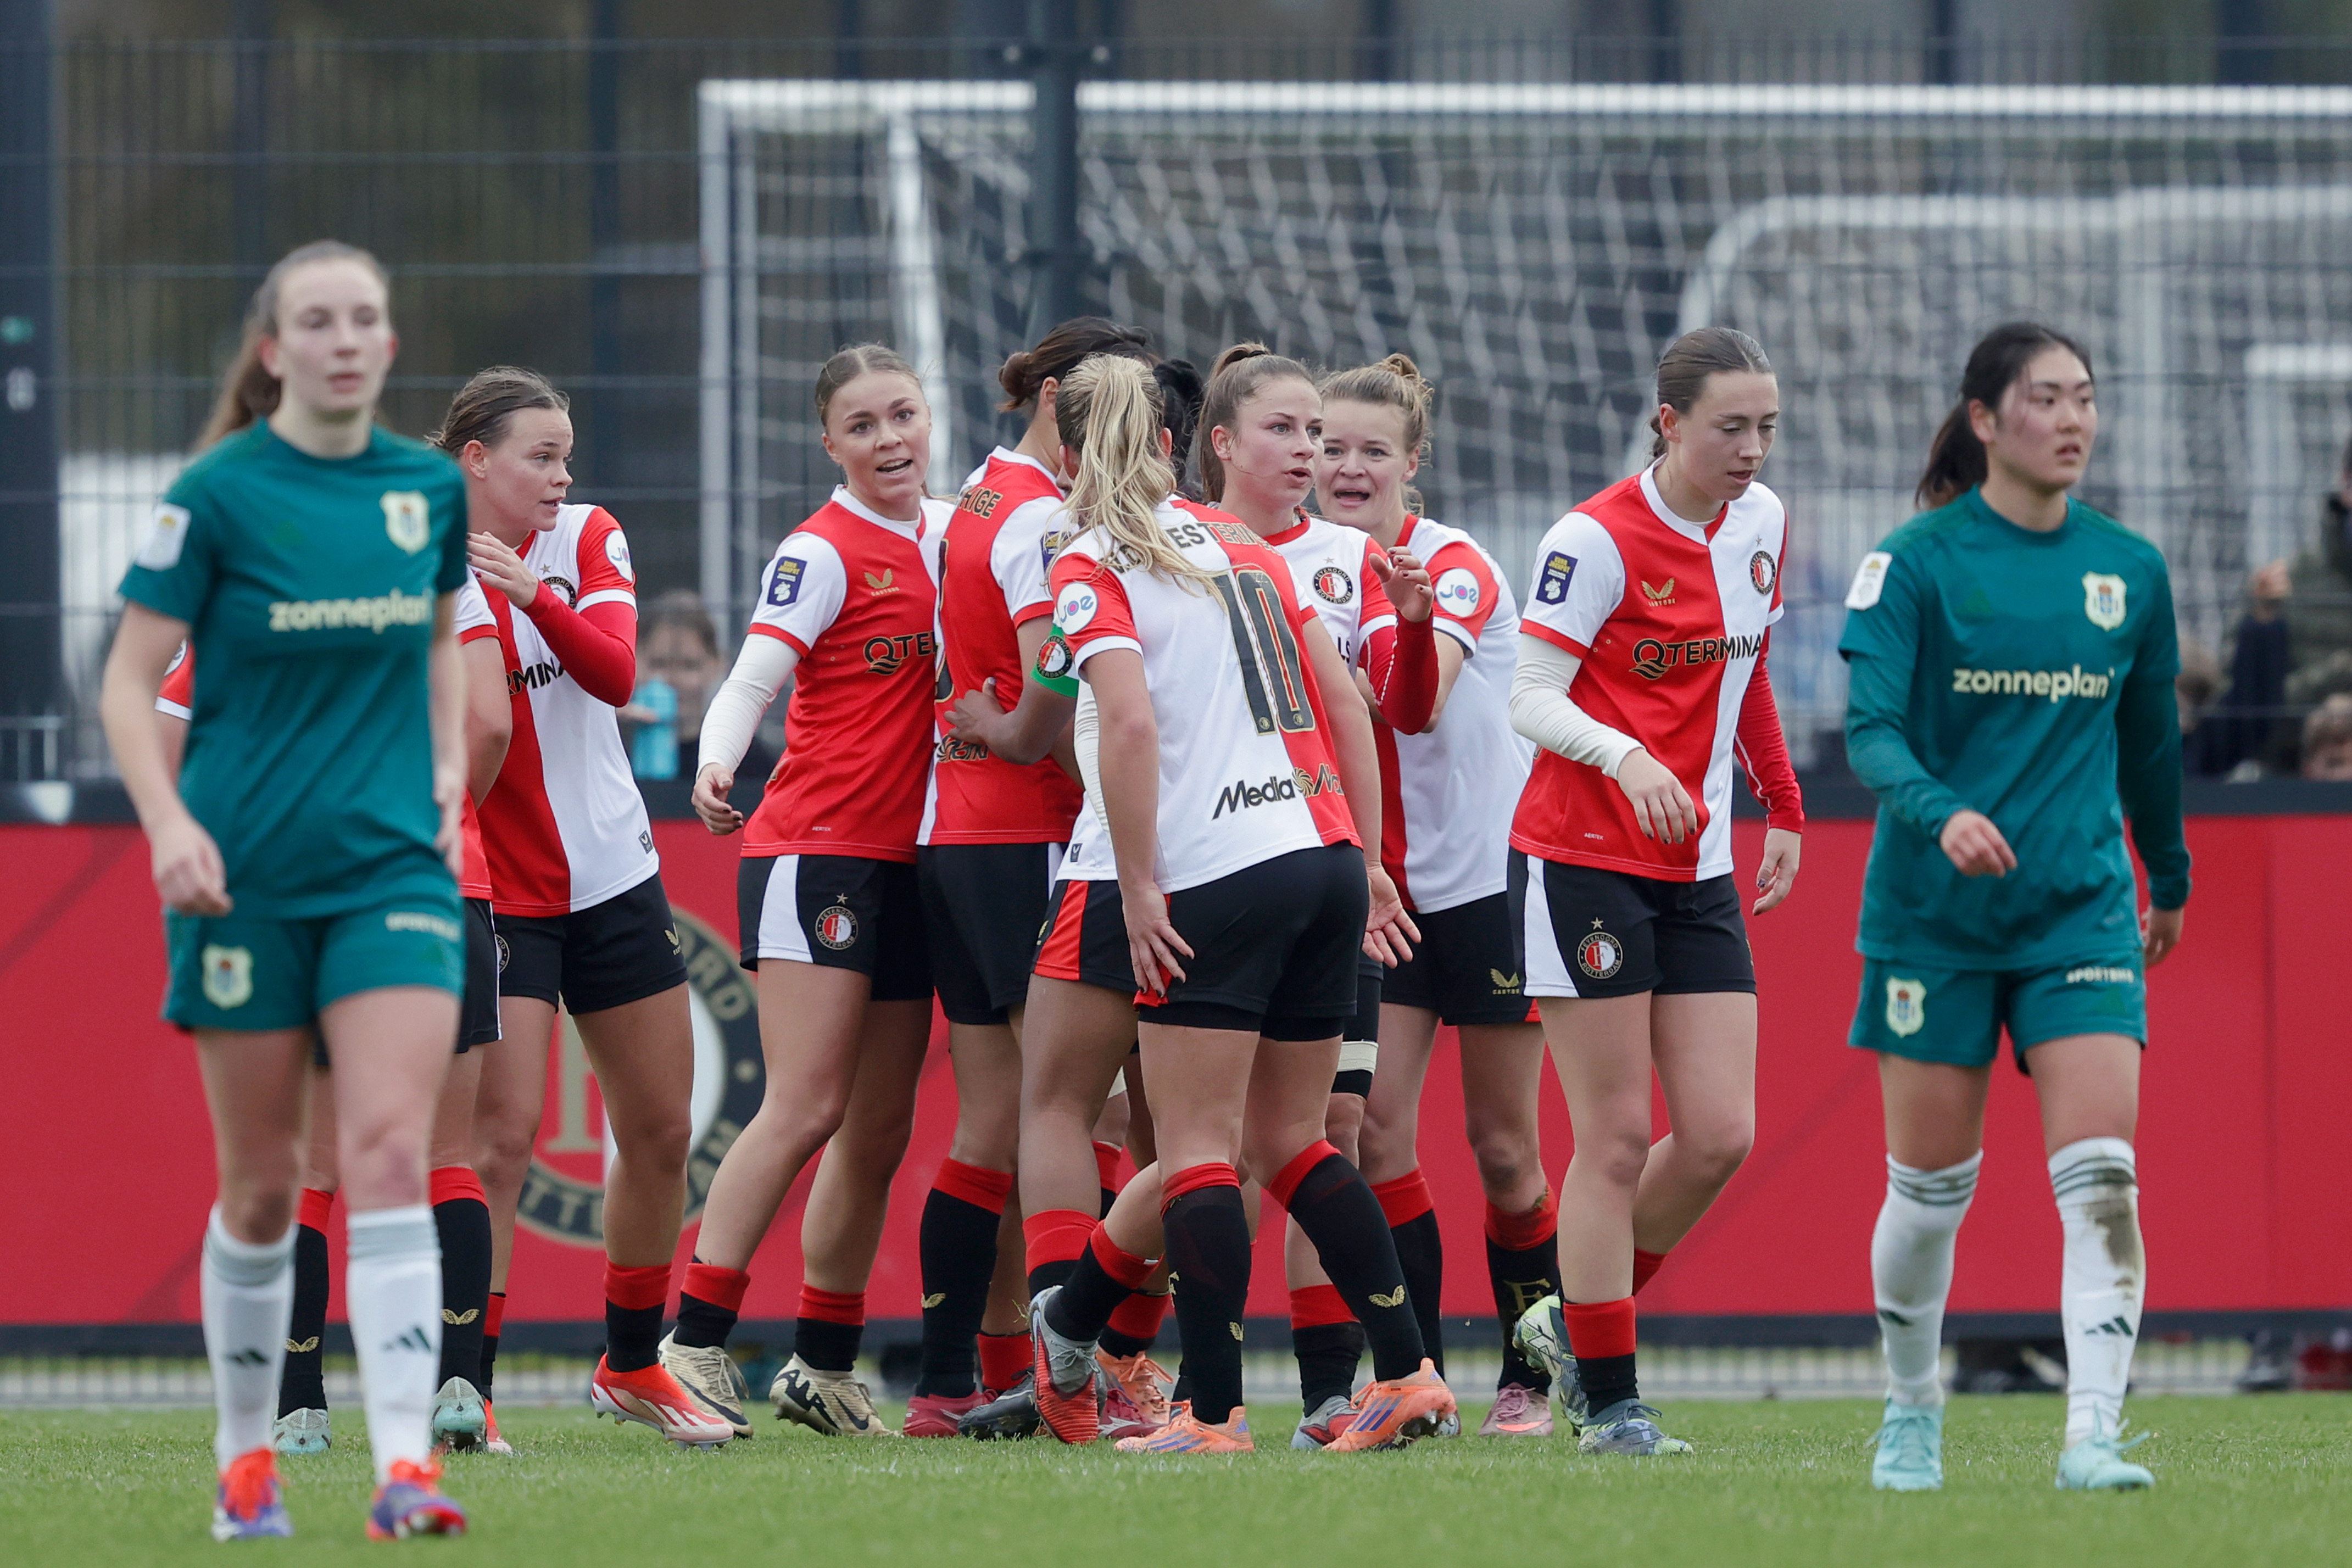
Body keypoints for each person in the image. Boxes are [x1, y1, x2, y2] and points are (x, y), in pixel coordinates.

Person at [1012, 350, 1453, 1456]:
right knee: (1298, 1141)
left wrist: (1141, 880)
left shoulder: (1089, 562)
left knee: (1201, 1149)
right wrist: (1361, 855)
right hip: (1315, 854)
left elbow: (1126, 727)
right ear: (1173, 443)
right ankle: (1406, 1372)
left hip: (1217, 867)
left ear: (1067, 452)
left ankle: (1210, 1413)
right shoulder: (1248, 546)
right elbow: (1341, 698)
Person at [99, 239, 472, 1539]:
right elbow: (126, 685)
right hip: (243, 879)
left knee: (385, 1152)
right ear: (275, 349)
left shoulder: (427, 491)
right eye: (318, 321)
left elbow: (436, 637)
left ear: (387, 339)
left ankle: (405, 1468)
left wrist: (438, 764)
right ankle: (243, 1460)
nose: (346, 338)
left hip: (391, 876)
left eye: (366, 316)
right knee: (262, 1186)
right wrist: (167, 827)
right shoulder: (216, 495)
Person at [1838, 321, 2190, 1493]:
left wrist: (2168, 876)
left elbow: (2148, 750)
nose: (2072, 420)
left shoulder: (2129, 571)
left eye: (2084, 397)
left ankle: (2091, 1435)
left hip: (2077, 919)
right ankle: (1909, 1411)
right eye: (2045, 399)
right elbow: (1871, 734)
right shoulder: (1915, 562)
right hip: (1931, 924)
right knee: (1929, 1196)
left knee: (2102, 1177)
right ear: (1984, 420)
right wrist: (1939, 812)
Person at [1503, 326, 1805, 1458]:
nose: (1751, 449)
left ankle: (1574, 1323)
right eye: (1729, 426)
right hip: (1580, 859)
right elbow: (1529, 694)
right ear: (1667, 422)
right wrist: (1623, 758)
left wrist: (1779, 801)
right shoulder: (1591, 539)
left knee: (1721, 1134)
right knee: (1617, 1136)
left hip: (1698, 868)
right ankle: (1610, 1399)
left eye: (1766, 426)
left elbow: (1750, 666)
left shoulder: (1762, 523)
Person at [155, 583, 513, 1459]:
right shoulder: (437, 574)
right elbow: (492, 726)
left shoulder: (250, 582)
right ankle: (456, 1389)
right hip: (439, 883)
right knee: (441, 1158)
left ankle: (299, 1405)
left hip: (306, 894)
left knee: (306, 1170)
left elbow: (170, 730)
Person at [439, 367, 727, 1448]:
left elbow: (616, 674)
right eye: (540, 457)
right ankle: (469, 1390)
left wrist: (530, 590)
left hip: (613, 876)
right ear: (476, 461)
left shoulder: (588, 536)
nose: (563, 477)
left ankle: (633, 1362)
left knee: (658, 1131)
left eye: (567, 456)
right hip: (496, 894)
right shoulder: (418, 560)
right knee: (500, 1146)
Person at [673, 344, 949, 1439]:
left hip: (915, 862)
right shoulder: (822, 547)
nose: (890, 440)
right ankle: (688, 1345)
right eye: (864, 425)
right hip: (817, 851)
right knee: (803, 1106)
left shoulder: (958, 532)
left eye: (904, 416)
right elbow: (752, 671)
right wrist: (715, 757)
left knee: (876, 1127)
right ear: (829, 444)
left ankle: (822, 1366)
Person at [1180, 342, 1443, 1446]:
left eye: (1323, 437)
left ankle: (1323, 1385)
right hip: (1222, 863)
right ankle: (1131, 1358)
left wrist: (1417, 625)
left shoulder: (1346, 559)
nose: (1315, 457)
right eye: (1296, 434)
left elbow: (1388, 706)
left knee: (1316, 1128)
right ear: (1223, 445)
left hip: (1313, 867)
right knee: (1210, 1142)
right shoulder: (1177, 546)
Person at [942, 356, 1208, 1442]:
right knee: (1193, 1134)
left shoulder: (1073, 544)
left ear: (1068, 439)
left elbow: (1060, 700)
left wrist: (995, 730)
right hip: (1249, 859)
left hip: (1115, 863)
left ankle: (1067, 1354)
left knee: (1053, 1106)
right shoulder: (1223, 546)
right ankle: (1147, 1369)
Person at [902, 319, 1160, 1436]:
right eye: (1118, 415)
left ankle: (959, 1379)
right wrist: (1019, 736)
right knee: (1094, 1109)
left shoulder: (977, 495)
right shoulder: (1039, 521)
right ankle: (1082, 1367)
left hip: (959, 835)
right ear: (1056, 397)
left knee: (994, 1124)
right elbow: (1053, 695)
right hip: (1026, 838)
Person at [1311, 353, 1557, 1439]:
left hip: (1488, 885)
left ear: (1413, 463)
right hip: (1382, 896)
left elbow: (1413, 707)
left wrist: (1404, 624)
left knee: (1505, 1149)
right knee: (1368, 1135)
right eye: (1328, 447)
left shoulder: (1447, 564)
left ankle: (1532, 1375)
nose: (1346, 467)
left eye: (1372, 450)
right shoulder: (1298, 565)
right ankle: (1413, 1377)